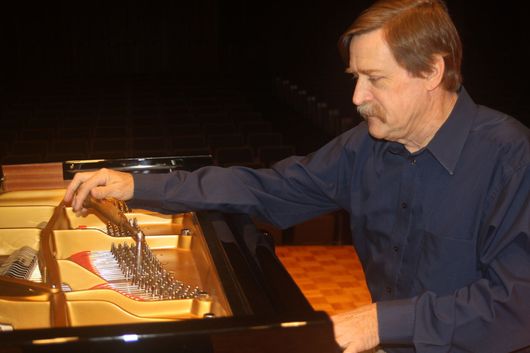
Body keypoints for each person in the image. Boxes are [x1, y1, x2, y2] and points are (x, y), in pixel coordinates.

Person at [64, 0, 530, 352]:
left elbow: (517, 305)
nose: (356, 96)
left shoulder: (509, 156)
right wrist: (138, 185)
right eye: (354, 76)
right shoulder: (365, 148)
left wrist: (380, 322)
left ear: (431, 71)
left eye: (374, 79)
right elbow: (267, 188)